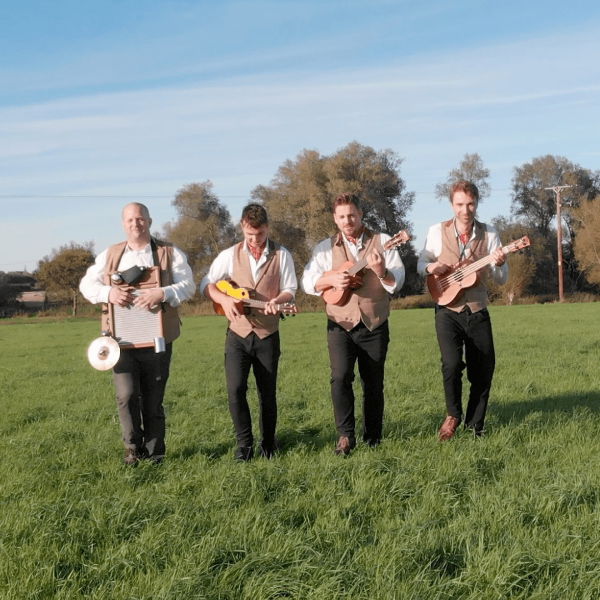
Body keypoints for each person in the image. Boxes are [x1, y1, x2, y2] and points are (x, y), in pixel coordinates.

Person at [80, 202, 195, 464]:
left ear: (150, 221)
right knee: (126, 395)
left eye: (140, 219)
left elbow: (188, 286)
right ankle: (133, 449)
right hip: (119, 341)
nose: (136, 224)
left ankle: (156, 453)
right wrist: (110, 293)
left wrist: (162, 292)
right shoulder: (110, 255)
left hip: (157, 337)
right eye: (131, 220)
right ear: (123, 224)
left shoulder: (168, 253)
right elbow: (86, 284)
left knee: (154, 399)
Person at [302, 193, 405, 455]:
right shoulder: (325, 247)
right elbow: (308, 282)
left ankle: (373, 437)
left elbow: (398, 281)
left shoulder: (382, 241)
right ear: (335, 219)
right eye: (342, 216)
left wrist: (381, 272)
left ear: (360, 214)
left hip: (374, 322)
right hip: (339, 323)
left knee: (373, 382)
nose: (348, 220)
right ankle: (345, 436)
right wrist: (332, 280)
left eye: (352, 215)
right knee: (340, 378)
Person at [200, 203, 297, 461]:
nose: (255, 240)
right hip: (237, 335)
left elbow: (290, 289)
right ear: (243, 227)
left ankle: (268, 444)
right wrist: (224, 299)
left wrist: (279, 300)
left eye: (261, 234)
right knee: (235, 390)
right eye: (250, 235)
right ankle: (244, 445)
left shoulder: (282, 254)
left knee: (267, 392)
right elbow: (207, 284)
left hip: (267, 334)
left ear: (267, 228)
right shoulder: (229, 254)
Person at [418, 180, 508, 440]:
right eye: (459, 204)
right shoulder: (437, 231)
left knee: (483, 369)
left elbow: (501, 278)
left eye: (470, 204)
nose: (465, 210)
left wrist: (500, 263)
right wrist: (430, 268)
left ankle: (475, 426)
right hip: (446, 309)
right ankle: (453, 415)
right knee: (451, 364)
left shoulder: (490, 234)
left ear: (477, 203)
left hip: (478, 309)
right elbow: (422, 262)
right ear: (451, 204)